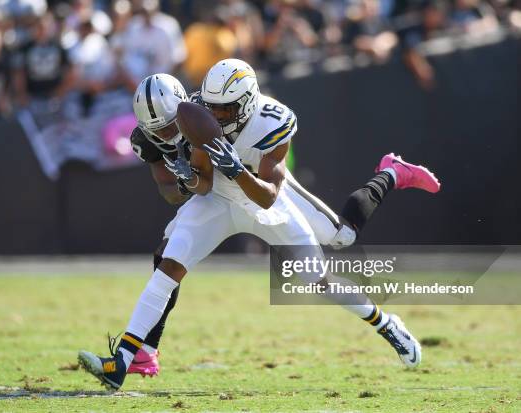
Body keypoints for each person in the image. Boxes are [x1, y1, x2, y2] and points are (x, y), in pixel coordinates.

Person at [77, 60, 440, 390]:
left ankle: (386, 317)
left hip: (265, 196)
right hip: (216, 198)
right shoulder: (194, 114)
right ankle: (124, 360)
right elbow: (201, 183)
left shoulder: (273, 120)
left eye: (224, 108)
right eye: (210, 105)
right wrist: (188, 180)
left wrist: (236, 168)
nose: (215, 114)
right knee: (168, 263)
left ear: (247, 102)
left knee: (327, 261)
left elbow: (267, 196)